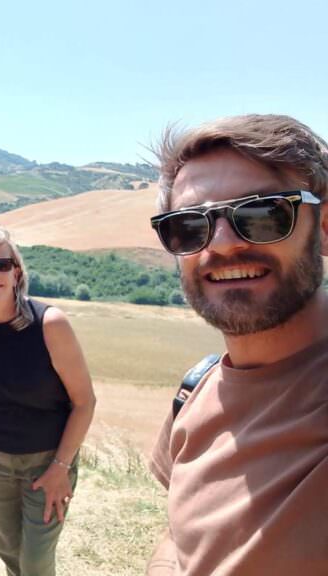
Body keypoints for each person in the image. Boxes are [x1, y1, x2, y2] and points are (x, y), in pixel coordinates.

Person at [146, 114, 328, 575]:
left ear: (324, 226)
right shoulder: (196, 391)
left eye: (263, 215)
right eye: (189, 226)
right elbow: (178, 537)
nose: (222, 245)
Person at [0, 227, 96, 576]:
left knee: (34, 563)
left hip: (48, 462)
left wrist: (60, 467)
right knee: (9, 553)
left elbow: (85, 402)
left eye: (3, 264)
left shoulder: (50, 324)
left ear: (16, 273)